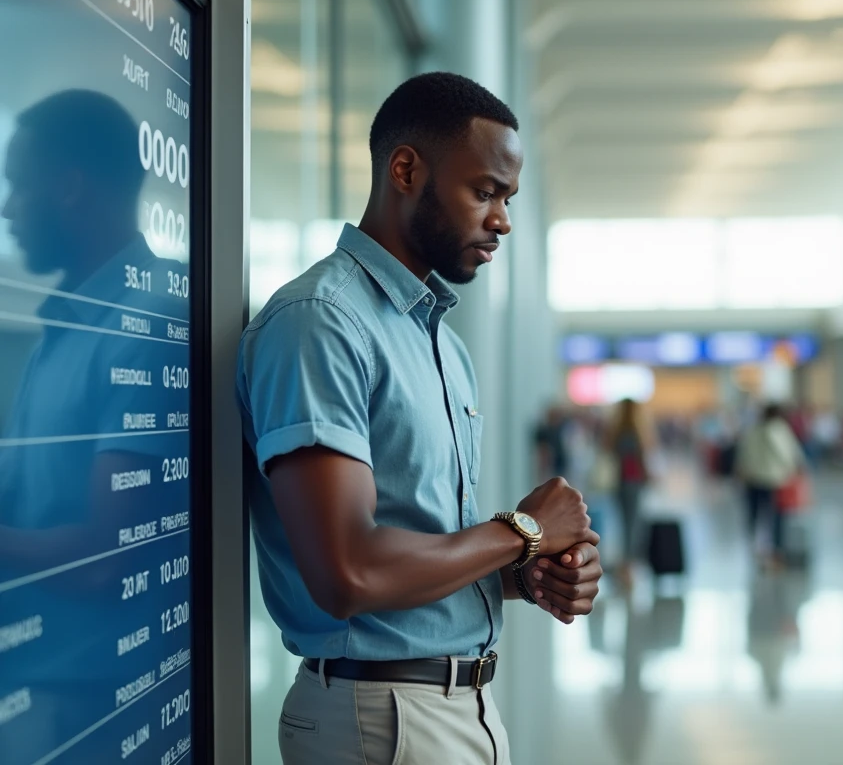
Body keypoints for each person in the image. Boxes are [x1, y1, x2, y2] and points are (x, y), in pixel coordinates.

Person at [237, 73, 602, 765]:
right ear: (405, 170)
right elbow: (346, 570)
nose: (502, 220)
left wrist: (523, 572)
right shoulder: (321, 324)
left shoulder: (438, 339)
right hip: (382, 719)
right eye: (485, 192)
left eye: (508, 198)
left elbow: (419, 549)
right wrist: (520, 531)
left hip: (456, 708)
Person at [0, 90, 189, 763]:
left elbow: (104, 562)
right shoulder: (65, 323)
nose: (7, 208)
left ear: (69, 187)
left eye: (17, 186)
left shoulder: (151, 317)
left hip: (92, 711)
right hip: (42, 688)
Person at [736, 404, 807, 570]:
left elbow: (743, 453)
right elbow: (789, 454)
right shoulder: (779, 429)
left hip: (752, 478)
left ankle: (756, 547)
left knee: (755, 515)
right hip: (773, 480)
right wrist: (793, 469)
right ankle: (775, 552)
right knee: (775, 518)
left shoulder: (752, 430)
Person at [604, 397, 655, 584]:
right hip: (633, 481)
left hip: (619, 481)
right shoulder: (635, 431)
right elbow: (642, 458)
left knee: (624, 522)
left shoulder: (616, 431)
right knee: (632, 523)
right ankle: (628, 564)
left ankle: (624, 563)